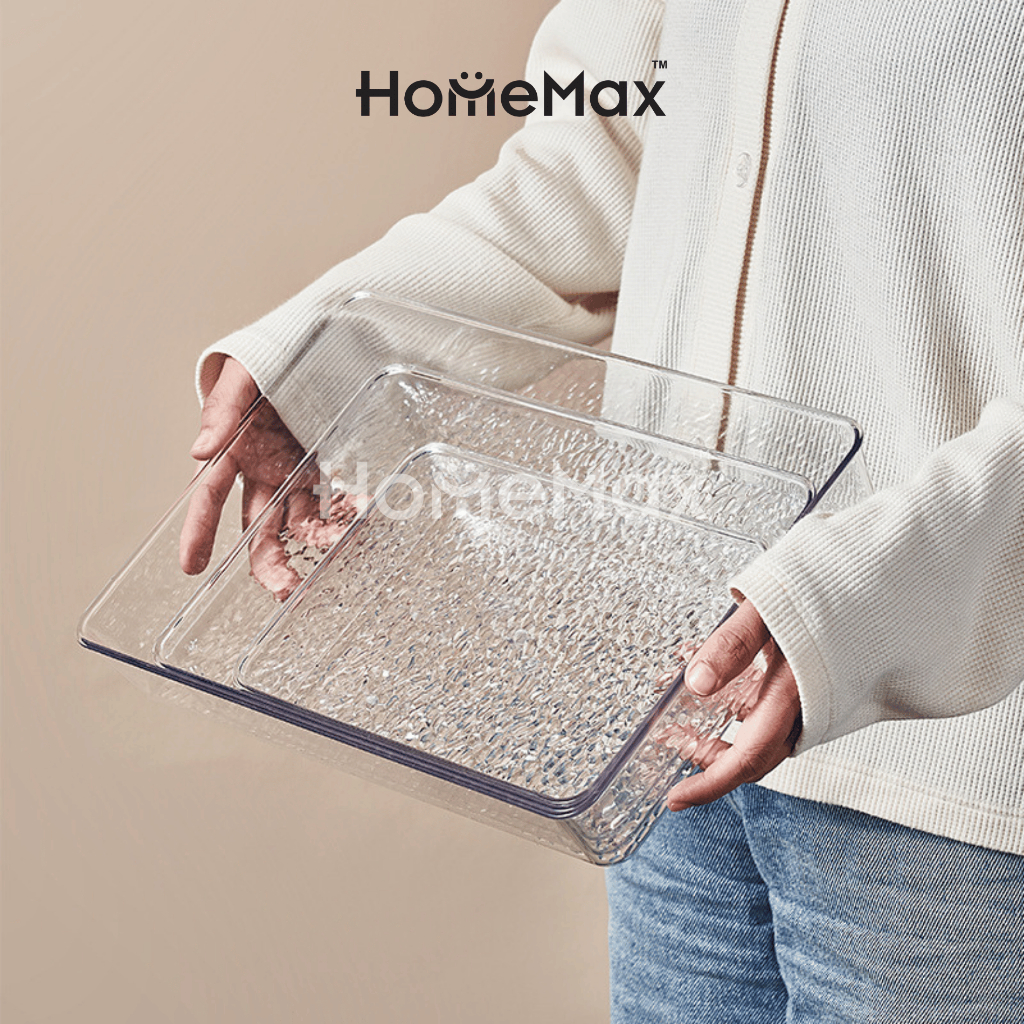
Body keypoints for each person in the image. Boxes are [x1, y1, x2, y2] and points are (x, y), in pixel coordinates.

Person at [179, 1, 1024, 1020]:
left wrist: (849, 603)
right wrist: (313, 362)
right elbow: (587, 172)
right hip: (673, 728)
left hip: (959, 790)